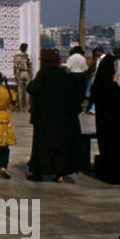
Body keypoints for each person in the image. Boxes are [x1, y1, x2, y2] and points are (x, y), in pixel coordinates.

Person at [26, 48, 83, 183]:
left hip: (45, 118)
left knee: (42, 146)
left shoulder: (44, 73)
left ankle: (38, 173)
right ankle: (60, 174)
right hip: (62, 119)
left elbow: (33, 88)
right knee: (61, 147)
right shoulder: (63, 74)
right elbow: (72, 97)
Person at [91, 54, 120, 184]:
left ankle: (108, 173)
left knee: (107, 149)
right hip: (114, 124)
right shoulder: (112, 87)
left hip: (104, 123)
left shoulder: (99, 84)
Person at [13, 43, 32, 111]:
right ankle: (26, 107)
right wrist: (31, 75)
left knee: (20, 91)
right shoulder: (28, 56)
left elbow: (15, 67)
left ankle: (20, 107)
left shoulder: (16, 57)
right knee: (27, 91)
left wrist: (15, 75)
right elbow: (30, 67)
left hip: (20, 73)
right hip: (27, 73)